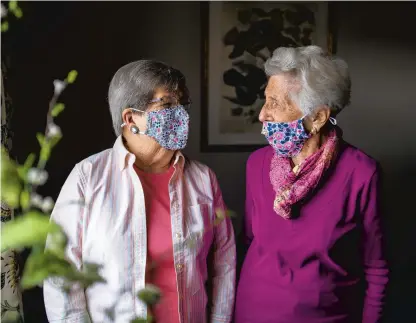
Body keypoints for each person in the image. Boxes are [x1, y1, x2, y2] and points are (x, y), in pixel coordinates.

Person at [43, 60, 236, 323]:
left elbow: (223, 264)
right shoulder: (87, 177)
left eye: (182, 103)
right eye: (167, 104)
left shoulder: (203, 179)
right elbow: (60, 274)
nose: (180, 113)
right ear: (130, 118)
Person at [235, 46, 388, 323]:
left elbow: (376, 267)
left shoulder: (362, 172)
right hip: (251, 313)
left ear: (317, 117)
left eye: (275, 103)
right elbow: (247, 242)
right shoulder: (256, 164)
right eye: (265, 100)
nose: (262, 115)